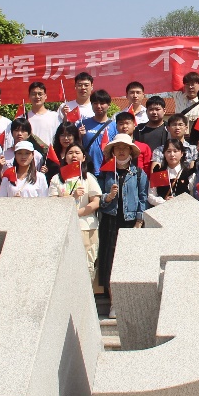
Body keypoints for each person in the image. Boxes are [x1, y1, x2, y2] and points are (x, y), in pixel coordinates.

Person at [95, 133, 148, 299]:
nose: (121, 151)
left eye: (125, 148)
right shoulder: (105, 173)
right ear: (113, 151)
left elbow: (143, 198)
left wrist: (139, 221)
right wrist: (108, 196)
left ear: (131, 151)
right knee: (109, 260)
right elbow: (98, 198)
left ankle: (129, 299)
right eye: (118, 148)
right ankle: (113, 301)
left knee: (129, 260)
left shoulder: (138, 173)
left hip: (130, 222)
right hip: (110, 221)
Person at [49, 143, 103, 279]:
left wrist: (76, 213)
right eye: (70, 153)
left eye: (77, 153)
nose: (74, 155)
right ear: (64, 157)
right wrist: (72, 197)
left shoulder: (88, 177)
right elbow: (53, 203)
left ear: (84, 157)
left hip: (86, 227)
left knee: (87, 264)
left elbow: (96, 202)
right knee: (65, 265)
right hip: (64, 227)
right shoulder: (56, 179)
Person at [148, 139, 195, 204]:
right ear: (164, 153)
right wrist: (164, 202)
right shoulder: (158, 174)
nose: (172, 154)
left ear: (182, 153)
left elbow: (193, 195)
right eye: (168, 151)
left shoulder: (189, 174)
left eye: (175, 151)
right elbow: (151, 196)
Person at [82, 89, 116, 172]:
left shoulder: (115, 126)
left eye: (102, 103)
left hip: (108, 171)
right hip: (88, 170)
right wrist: (79, 136)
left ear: (109, 105)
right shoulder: (83, 124)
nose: (98, 106)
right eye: (95, 103)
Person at [24, 82, 61, 146]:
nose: (37, 96)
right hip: (30, 151)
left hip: (51, 151)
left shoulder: (55, 117)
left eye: (40, 94)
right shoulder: (23, 118)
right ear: (29, 96)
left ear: (45, 96)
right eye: (33, 94)